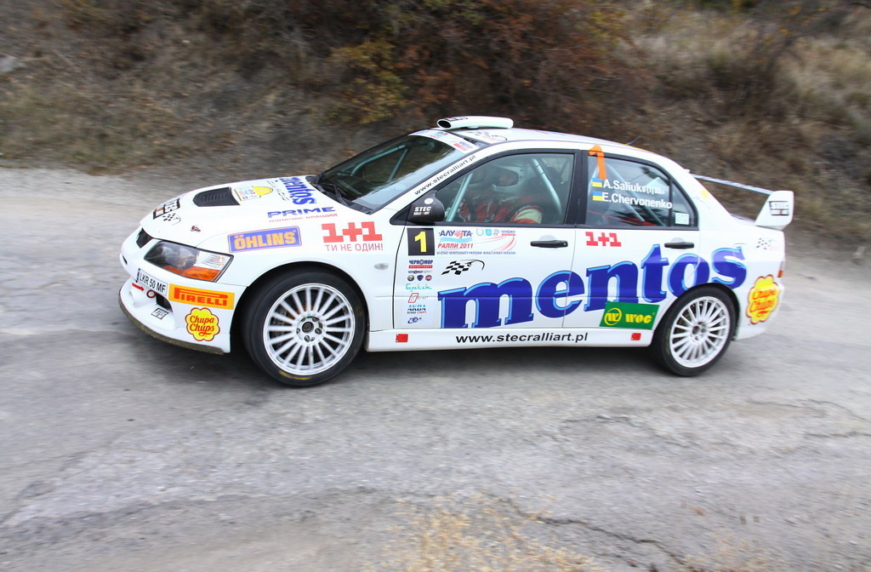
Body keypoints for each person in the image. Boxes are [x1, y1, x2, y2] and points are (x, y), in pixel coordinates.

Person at [455, 166, 544, 224]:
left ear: (524, 179)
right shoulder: (496, 198)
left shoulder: (529, 212)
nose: (501, 179)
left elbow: (520, 239)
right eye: (501, 174)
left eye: (508, 176)